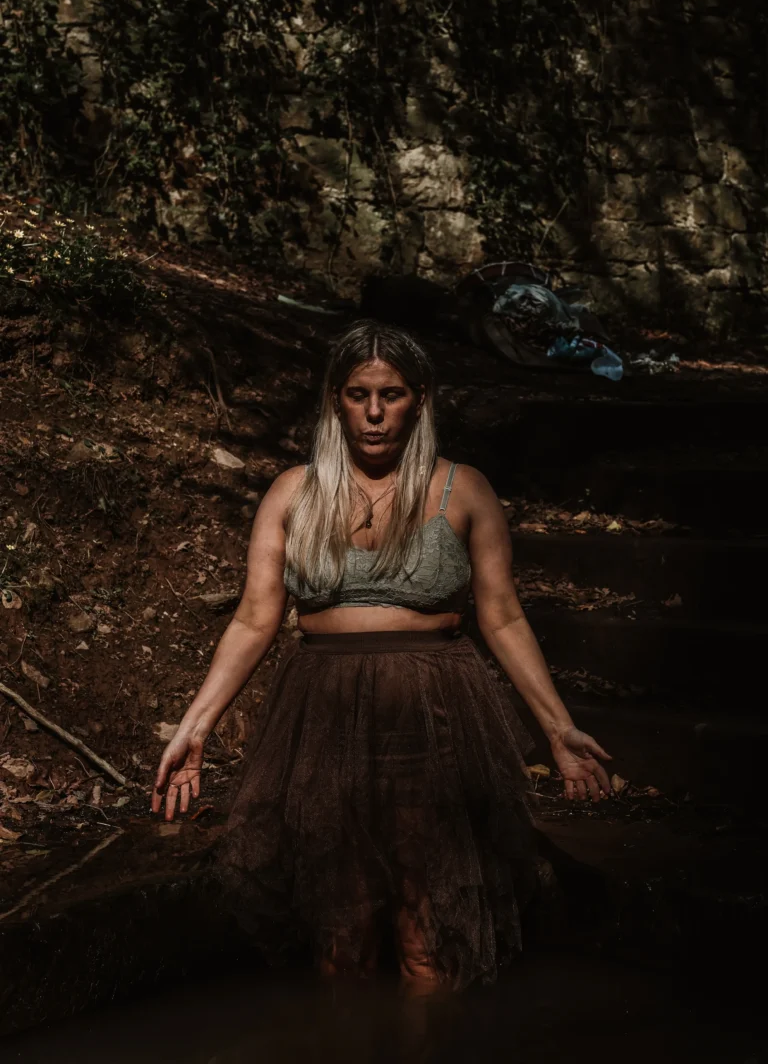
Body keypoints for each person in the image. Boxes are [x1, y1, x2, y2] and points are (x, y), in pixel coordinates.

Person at [151, 320, 612, 990]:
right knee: (342, 941)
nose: (374, 412)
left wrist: (558, 728)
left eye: (391, 394)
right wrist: (195, 729)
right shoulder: (292, 493)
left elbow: (503, 615)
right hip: (324, 713)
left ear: (419, 397)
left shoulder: (465, 490)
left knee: (427, 938)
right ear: (336, 399)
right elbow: (255, 617)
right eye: (359, 394)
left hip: (432, 710)